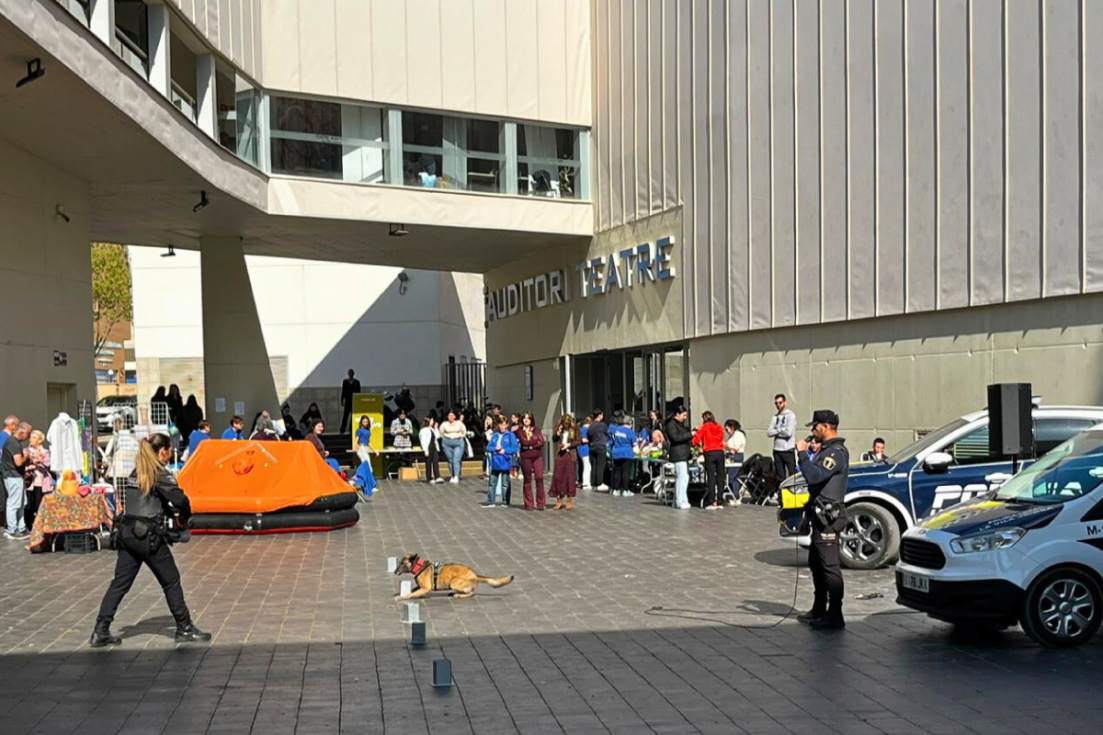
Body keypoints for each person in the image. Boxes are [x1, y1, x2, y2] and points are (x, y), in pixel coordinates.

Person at [90, 432, 210, 647]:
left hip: (127, 533)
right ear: (162, 451)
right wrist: (185, 515)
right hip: (148, 536)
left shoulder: (137, 472)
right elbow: (180, 498)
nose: (170, 455)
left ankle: (100, 630)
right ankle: (184, 627)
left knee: (120, 583)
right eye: (169, 451)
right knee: (171, 580)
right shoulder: (159, 473)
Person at [796, 410, 850, 630]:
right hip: (818, 516)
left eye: (815, 426)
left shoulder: (835, 453)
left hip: (829, 518)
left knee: (829, 566)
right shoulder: (826, 451)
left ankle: (835, 615)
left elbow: (815, 476)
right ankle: (819, 609)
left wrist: (801, 454)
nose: (812, 431)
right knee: (816, 564)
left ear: (826, 427)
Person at [693, 411, 726, 510]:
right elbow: (721, 438)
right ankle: (720, 500)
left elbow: (695, 441)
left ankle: (712, 501)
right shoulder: (719, 427)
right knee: (721, 476)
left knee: (711, 477)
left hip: (709, 452)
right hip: (720, 451)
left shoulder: (704, 427)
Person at [2, 418, 29, 539]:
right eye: (27, 434)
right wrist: (26, 456)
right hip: (13, 476)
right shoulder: (13, 443)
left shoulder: (13, 442)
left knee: (21, 502)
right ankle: (12, 529)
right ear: (22, 432)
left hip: (15, 476)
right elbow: (18, 462)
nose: (27, 437)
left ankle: (21, 527)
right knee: (14, 503)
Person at [483, 416, 517, 508]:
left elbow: (514, 448)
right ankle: (491, 501)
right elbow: (489, 447)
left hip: (505, 460)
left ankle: (505, 501)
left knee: (505, 483)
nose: (502, 427)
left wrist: (505, 450)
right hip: (495, 461)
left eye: (504, 425)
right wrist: (495, 449)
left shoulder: (510, 435)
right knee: (492, 482)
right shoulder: (495, 435)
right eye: (500, 424)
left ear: (507, 425)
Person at [515, 413, 547, 511]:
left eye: (528, 418)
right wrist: (534, 442)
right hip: (526, 457)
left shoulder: (536, 430)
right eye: (524, 418)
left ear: (531, 420)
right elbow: (524, 442)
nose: (526, 420)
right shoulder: (519, 431)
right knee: (527, 479)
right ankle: (529, 503)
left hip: (537, 456)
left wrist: (531, 445)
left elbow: (541, 442)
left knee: (539, 477)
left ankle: (541, 503)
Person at [665, 407, 693, 510]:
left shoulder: (680, 425)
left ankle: (678, 501)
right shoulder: (671, 424)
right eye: (683, 415)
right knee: (682, 478)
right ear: (677, 414)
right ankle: (681, 501)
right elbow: (675, 438)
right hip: (678, 455)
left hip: (683, 454)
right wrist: (690, 434)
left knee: (683, 478)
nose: (685, 418)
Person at [551, 414, 580, 510]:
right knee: (558, 476)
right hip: (560, 454)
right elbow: (554, 439)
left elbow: (578, 441)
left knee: (569, 477)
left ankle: (569, 500)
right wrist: (558, 433)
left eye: (567, 424)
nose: (565, 425)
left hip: (570, 454)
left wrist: (569, 445)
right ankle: (559, 499)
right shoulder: (560, 428)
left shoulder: (575, 429)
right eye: (564, 424)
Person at [24, 430, 52, 530]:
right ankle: (28, 526)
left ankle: (40, 525)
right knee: (28, 505)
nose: (31, 439)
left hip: (41, 482)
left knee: (40, 504)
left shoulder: (45, 452)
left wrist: (41, 460)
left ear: (40, 440)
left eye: (34, 437)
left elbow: (48, 464)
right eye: (31, 437)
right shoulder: (26, 451)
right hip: (30, 482)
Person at [767, 393, 798, 480]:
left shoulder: (790, 415)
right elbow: (769, 432)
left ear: (785, 402)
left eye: (780, 403)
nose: (778, 405)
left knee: (792, 475)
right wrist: (780, 430)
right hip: (777, 450)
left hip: (788, 450)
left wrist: (776, 431)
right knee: (780, 476)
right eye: (776, 403)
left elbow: (788, 433)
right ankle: (781, 493)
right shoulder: (775, 417)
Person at [608, 413, 637, 498]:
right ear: (630, 423)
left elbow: (613, 440)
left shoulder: (617, 430)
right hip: (627, 453)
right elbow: (634, 444)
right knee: (626, 472)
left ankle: (616, 490)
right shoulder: (630, 432)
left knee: (617, 471)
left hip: (616, 452)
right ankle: (625, 490)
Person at [351, 416, 378, 498]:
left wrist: (374, 450)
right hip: (361, 448)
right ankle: (359, 481)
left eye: (366, 421)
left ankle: (356, 480)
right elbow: (356, 439)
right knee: (368, 467)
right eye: (364, 421)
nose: (365, 423)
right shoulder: (359, 430)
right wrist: (354, 447)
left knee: (367, 467)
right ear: (361, 422)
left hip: (365, 448)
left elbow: (368, 442)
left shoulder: (367, 431)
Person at [439, 409, 467, 484]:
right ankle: (452, 475)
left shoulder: (459, 423)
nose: (450, 417)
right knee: (450, 460)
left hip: (458, 442)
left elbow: (464, 431)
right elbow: (441, 432)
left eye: (452, 415)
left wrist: (460, 437)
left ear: (455, 416)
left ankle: (456, 476)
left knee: (456, 460)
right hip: (447, 442)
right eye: (449, 415)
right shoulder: (444, 424)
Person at [724, 419, 747, 505]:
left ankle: (735, 496)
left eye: (727, 429)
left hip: (736, 456)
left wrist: (726, 446)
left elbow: (735, 448)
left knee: (733, 477)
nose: (727, 432)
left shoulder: (738, 435)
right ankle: (732, 495)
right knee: (730, 476)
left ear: (732, 427)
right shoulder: (732, 436)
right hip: (731, 456)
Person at [588, 409, 609, 490]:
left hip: (592, 446)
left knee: (594, 465)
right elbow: (607, 434)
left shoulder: (591, 425)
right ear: (600, 415)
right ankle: (599, 483)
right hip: (601, 446)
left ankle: (593, 483)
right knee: (600, 465)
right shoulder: (602, 425)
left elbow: (589, 436)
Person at [419, 416, 443, 484]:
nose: (433, 422)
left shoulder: (432, 429)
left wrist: (436, 428)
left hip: (434, 447)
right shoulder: (423, 430)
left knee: (435, 462)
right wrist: (425, 450)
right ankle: (429, 477)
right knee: (428, 463)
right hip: (428, 447)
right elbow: (423, 441)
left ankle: (437, 476)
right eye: (432, 420)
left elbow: (438, 436)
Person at [340, 369, 361, 433]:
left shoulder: (357, 382)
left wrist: (358, 401)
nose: (350, 374)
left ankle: (351, 429)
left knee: (353, 416)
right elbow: (343, 391)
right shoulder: (345, 382)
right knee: (345, 416)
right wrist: (342, 400)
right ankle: (342, 430)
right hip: (347, 401)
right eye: (350, 373)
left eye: (351, 373)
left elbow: (358, 392)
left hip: (354, 401)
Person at [577, 416, 592, 490]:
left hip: (582, 450)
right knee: (587, 467)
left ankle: (585, 482)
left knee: (586, 466)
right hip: (585, 450)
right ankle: (586, 483)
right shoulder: (586, 428)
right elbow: (583, 439)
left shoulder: (582, 428)